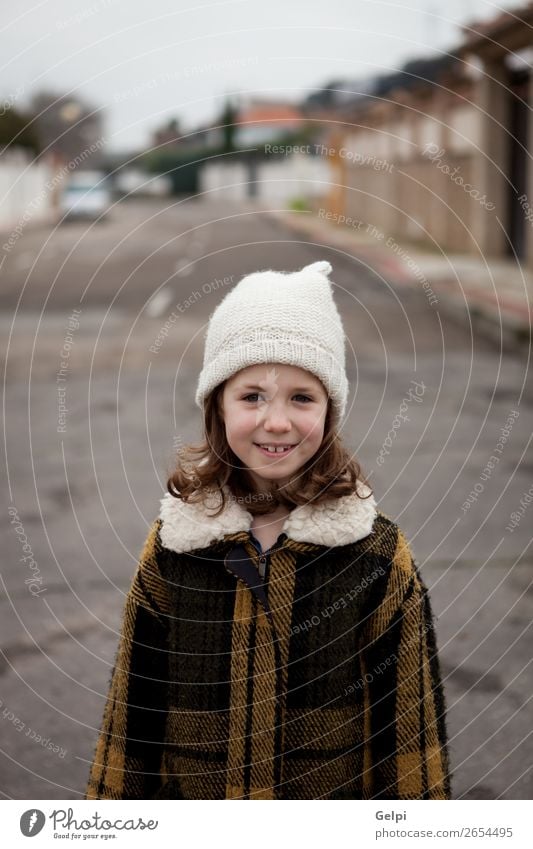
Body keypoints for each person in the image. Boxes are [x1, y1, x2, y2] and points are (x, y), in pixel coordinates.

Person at [85, 260, 451, 800]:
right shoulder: (175, 547)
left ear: (330, 412)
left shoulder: (375, 555)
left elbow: (411, 731)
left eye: (301, 397)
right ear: (218, 407)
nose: (275, 421)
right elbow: (131, 712)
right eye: (251, 395)